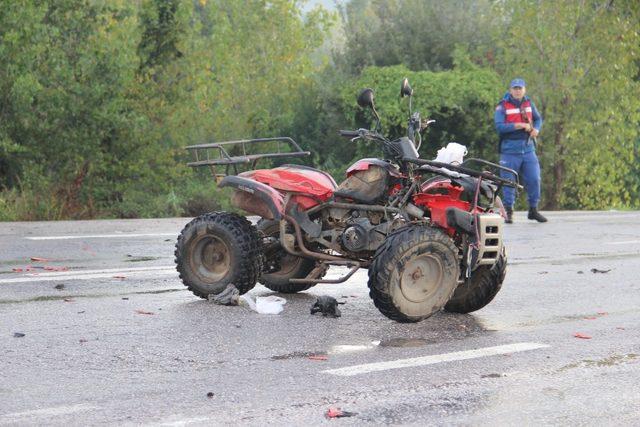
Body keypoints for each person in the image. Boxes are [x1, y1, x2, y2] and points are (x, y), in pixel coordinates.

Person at [494, 78, 547, 223]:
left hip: (528, 149)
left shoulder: (529, 103)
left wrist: (536, 129)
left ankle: (533, 210)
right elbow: (499, 127)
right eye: (515, 88)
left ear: (524, 90)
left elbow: (538, 119)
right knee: (508, 181)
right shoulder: (502, 106)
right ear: (510, 90)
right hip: (510, 149)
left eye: (520, 88)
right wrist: (518, 125)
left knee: (534, 179)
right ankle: (509, 211)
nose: (518, 91)